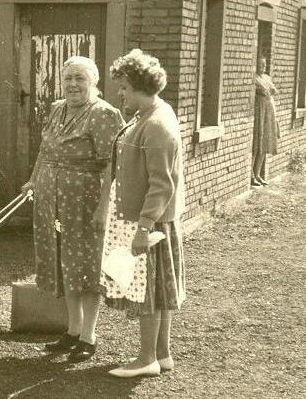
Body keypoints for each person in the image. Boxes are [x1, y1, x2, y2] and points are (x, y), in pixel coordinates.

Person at [21, 56, 125, 362]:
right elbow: (44, 150)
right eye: (68, 78)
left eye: (80, 78)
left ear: (93, 82)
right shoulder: (56, 108)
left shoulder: (104, 114)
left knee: (86, 264)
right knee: (63, 261)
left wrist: (104, 207)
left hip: (85, 201)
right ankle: (72, 330)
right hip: (52, 202)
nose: (73, 84)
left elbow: (112, 165)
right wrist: (33, 180)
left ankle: (88, 336)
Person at [100, 49, 186, 378]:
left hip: (152, 223)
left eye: (123, 87)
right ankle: (162, 355)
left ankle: (146, 358)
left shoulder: (158, 124)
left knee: (147, 293)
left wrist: (142, 229)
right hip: (152, 221)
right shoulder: (147, 115)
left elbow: (162, 184)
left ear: (139, 85)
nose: (119, 93)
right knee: (159, 292)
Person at [252, 57, 280, 187]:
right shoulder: (254, 78)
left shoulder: (267, 78)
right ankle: (251, 175)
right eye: (260, 64)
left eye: (264, 64)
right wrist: (263, 91)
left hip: (268, 113)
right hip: (259, 112)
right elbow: (261, 92)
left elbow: (274, 90)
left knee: (264, 144)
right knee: (257, 144)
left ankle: (258, 174)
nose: (262, 66)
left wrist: (270, 90)